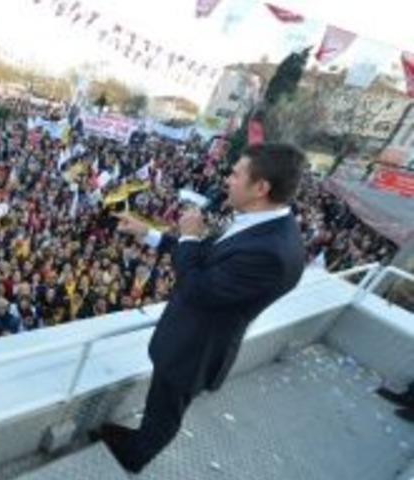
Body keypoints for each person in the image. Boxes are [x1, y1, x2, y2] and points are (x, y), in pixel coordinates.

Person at [93, 144, 308, 473]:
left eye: (236, 174)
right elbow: (210, 258)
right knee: (160, 400)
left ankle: (136, 457)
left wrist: (190, 236)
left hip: (196, 348)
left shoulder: (272, 252)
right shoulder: (260, 224)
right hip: (187, 339)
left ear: (261, 187)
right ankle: (139, 439)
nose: (227, 180)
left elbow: (197, 286)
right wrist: (148, 234)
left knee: (167, 411)